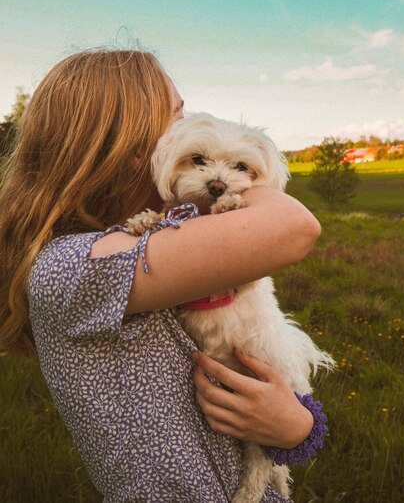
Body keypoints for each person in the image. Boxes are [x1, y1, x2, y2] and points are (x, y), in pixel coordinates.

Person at [0, 49, 322, 503]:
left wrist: (295, 425)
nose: (189, 126)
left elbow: (278, 405)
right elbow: (296, 226)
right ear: (130, 147)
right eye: (177, 114)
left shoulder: (145, 241)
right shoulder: (70, 268)